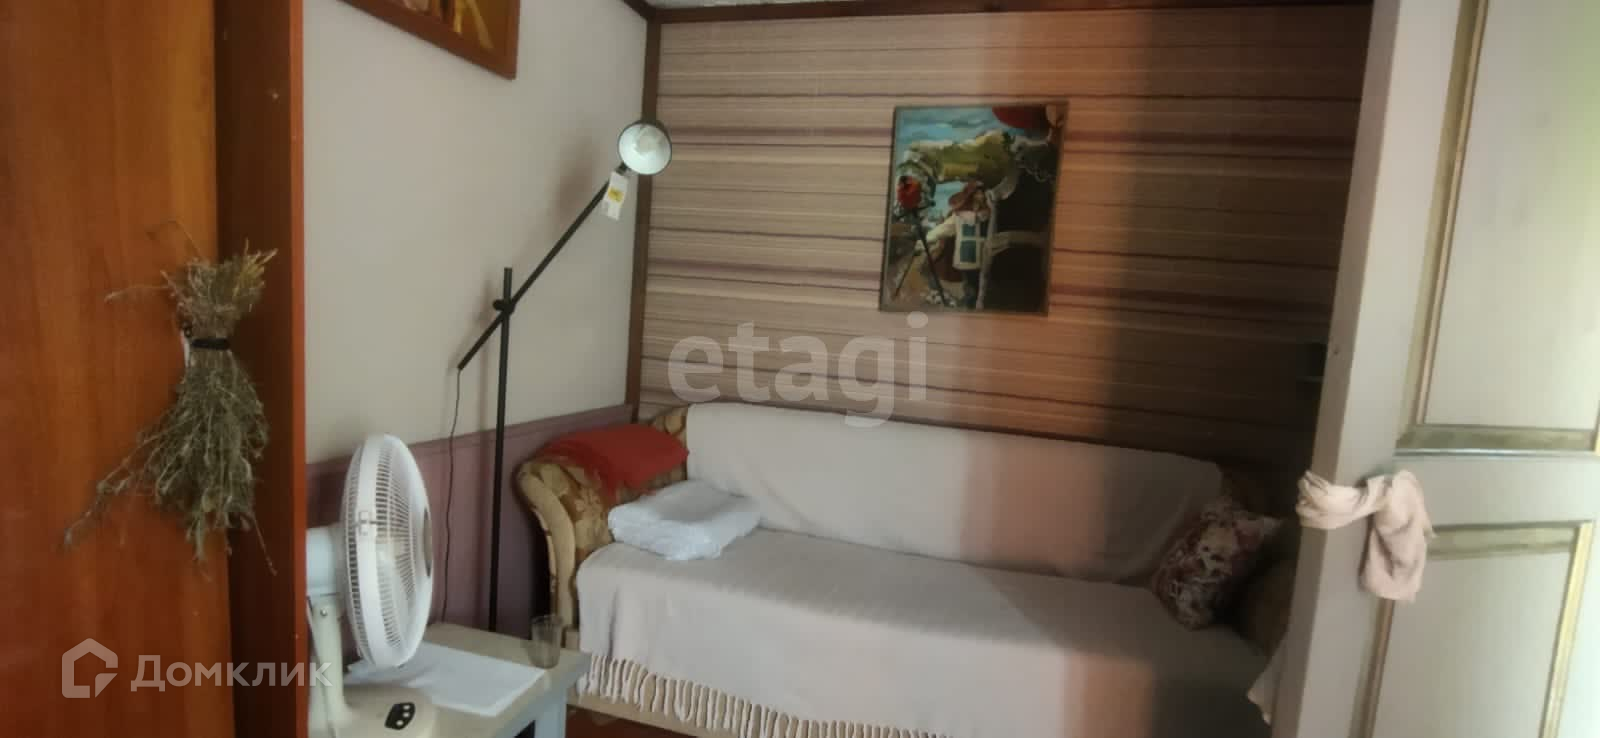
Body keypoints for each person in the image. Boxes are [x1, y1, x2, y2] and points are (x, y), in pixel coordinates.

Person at [925, 180, 992, 309]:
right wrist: (927, 238)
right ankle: (970, 309)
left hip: (984, 256)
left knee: (982, 287)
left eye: (982, 193)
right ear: (971, 195)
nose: (981, 196)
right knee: (971, 288)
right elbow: (944, 229)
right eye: (978, 193)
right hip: (966, 257)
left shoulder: (987, 214)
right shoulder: (959, 216)